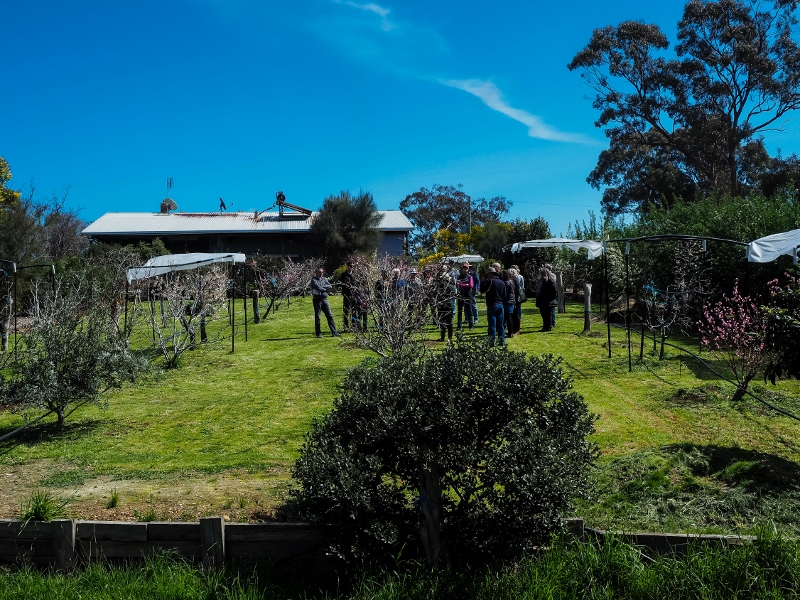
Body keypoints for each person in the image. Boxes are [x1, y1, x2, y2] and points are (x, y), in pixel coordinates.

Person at [479, 267, 509, 346]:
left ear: (490, 274)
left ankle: (492, 341)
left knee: (492, 324)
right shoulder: (502, 282)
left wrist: (482, 281)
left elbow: (482, 290)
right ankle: (502, 341)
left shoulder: (490, 282)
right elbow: (505, 295)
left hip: (492, 305)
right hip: (500, 304)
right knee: (501, 324)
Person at [310, 267, 340, 338]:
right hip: (317, 300)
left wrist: (323, 288)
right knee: (318, 317)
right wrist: (325, 289)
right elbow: (318, 288)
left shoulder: (325, 279)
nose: (321, 274)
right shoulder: (313, 280)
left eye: (322, 272)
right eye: (319, 272)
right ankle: (318, 333)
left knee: (330, 315)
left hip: (325, 299)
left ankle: (334, 332)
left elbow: (330, 286)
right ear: (316, 273)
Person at [535, 267, 557, 332]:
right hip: (542, 300)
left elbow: (554, 291)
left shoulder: (550, 281)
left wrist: (550, 298)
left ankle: (548, 327)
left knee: (548, 314)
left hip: (547, 301)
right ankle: (545, 326)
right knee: (544, 314)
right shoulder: (541, 280)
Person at [436, 272, 456, 342]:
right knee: (449, 322)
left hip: (441, 305)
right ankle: (450, 338)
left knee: (442, 321)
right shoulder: (450, 286)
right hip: (449, 305)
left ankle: (442, 337)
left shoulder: (439, 286)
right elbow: (454, 293)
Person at [455, 263, 475, 330]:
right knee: (459, 311)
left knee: (469, 310)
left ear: (468, 269)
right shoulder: (459, 277)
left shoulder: (470, 277)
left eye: (466, 268)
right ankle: (459, 326)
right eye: (464, 268)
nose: (465, 269)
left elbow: (471, 285)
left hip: (467, 295)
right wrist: (465, 284)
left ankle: (471, 326)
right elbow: (457, 284)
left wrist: (463, 285)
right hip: (460, 295)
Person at [501, 270, 519, 338]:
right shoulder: (512, 282)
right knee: (510, 317)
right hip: (511, 301)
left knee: (507, 318)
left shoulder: (505, 283)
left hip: (507, 301)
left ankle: (510, 332)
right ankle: (511, 332)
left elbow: (505, 293)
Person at [340, 261, 354, 331]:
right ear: (347, 266)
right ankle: (346, 327)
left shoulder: (355, 275)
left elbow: (356, 284)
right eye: (350, 266)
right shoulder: (343, 275)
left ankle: (354, 327)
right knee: (346, 311)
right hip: (347, 295)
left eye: (352, 266)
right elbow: (345, 285)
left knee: (354, 311)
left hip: (354, 295)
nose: (351, 267)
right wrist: (351, 286)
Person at [544, 263, 558, 328]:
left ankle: (553, 322)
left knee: (552, 310)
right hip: (549, 294)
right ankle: (551, 322)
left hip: (551, 295)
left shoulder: (552, 275)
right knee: (551, 310)